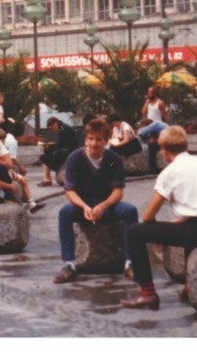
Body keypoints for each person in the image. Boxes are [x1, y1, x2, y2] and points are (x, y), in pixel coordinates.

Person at [120, 125, 197, 310]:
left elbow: (148, 215)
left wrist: (157, 230)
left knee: (134, 232)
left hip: (195, 229)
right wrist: (185, 218)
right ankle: (188, 285)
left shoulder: (169, 172)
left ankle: (148, 293)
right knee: (186, 229)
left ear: (163, 151)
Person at [54, 117, 139, 284]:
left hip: (106, 205)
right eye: (90, 139)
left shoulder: (113, 159)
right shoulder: (75, 158)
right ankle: (69, 264)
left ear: (106, 141)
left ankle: (130, 263)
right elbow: (70, 191)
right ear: (85, 139)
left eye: (98, 139)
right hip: (83, 205)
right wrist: (84, 206)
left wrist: (103, 205)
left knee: (130, 211)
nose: (93, 144)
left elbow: (118, 191)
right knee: (65, 213)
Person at [0, 137, 44, 213]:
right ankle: (8, 197)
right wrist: (10, 186)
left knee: (0, 167)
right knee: (1, 167)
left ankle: (11, 194)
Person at [39, 116, 80, 186]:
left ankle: (49, 175)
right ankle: (47, 178)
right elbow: (62, 143)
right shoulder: (64, 127)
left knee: (43, 156)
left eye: (51, 127)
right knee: (47, 152)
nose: (52, 129)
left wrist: (50, 145)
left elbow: (60, 145)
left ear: (55, 123)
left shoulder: (63, 129)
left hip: (68, 151)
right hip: (68, 149)